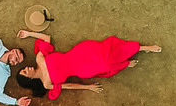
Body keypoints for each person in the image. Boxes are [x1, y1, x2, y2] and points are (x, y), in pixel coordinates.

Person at [14, 29, 161, 100]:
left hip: (80, 53)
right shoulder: (47, 83)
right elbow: (69, 86)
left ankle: (142, 48)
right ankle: (125, 63)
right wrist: (88, 87)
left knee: (108, 53)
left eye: (23, 69)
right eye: (25, 72)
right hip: (83, 69)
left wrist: (29, 33)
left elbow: (47, 38)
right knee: (107, 64)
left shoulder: (40, 58)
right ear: (31, 79)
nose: (26, 68)